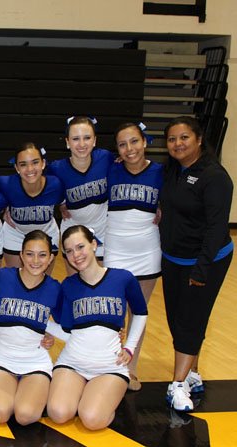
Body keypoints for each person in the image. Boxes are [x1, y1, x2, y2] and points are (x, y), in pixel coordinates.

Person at [159, 116, 233, 411]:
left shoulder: (215, 177)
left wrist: (201, 269)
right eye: (172, 139)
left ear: (199, 139)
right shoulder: (173, 171)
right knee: (178, 319)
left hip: (206, 261)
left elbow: (216, 229)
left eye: (184, 138)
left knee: (191, 320)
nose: (177, 144)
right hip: (173, 258)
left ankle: (177, 384)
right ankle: (191, 373)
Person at [46, 225, 147, 430]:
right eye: (69, 251)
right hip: (72, 363)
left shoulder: (123, 278)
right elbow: (67, 332)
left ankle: (99, 398)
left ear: (93, 244)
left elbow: (140, 312)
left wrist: (130, 347)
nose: (76, 255)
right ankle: (85, 393)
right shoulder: (68, 285)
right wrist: (41, 326)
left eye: (80, 246)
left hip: (109, 367)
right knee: (58, 413)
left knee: (92, 419)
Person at [104, 123, 163, 391]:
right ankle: (109, 364)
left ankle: (132, 367)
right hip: (116, 250)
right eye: (123, 144)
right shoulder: (110, 168)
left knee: (138, 311)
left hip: (147, 250)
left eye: (134, 142)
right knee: (112, 311)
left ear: (145, 142)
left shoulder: (161, 172)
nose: (129, 149)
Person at [0, 230, 62, 425]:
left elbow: (67, 327)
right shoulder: (4, 276)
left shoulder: (54, 288)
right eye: (29, 254)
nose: (35, 260)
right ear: (21, 255)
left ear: (51, 257)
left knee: (25, 415)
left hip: (35, 361)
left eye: (42, 254)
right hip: (4, 357)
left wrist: (46, 330)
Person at [47, 117, 113, 273]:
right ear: (67, 142)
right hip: (73, 230)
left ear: (95, 140)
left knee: (102, 284)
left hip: (103, 230)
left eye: (87, 138)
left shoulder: (106, 158)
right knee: (76, 286)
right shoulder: (56, 168)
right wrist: (9, 206)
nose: (82, 144)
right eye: (76, 139)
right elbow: (33, 185)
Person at [0, 144, 64, 270]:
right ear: (16, 167)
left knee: (42, 282)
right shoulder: (5, 184)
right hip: (15, 234)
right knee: (15, 280)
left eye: (35, 162)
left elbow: (65, 199)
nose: (30, 169)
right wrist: (2, 207)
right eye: (23, 164)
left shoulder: (55, 184)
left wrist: (63, 205)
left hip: (46, 234)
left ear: (43, 163)